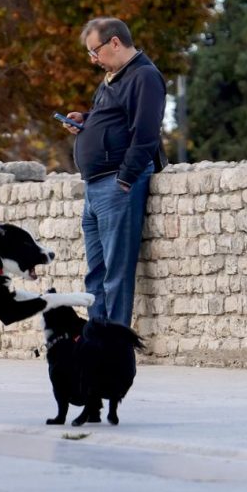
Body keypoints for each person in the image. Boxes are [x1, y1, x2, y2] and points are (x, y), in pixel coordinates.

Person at [61, 17, 166, 332]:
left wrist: (125, 179)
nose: (93, 60)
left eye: (95, 52)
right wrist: (86, 119)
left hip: (116, 185)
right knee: (95, 274)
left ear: (115, 42)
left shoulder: (145, 76)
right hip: (95, 186)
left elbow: (146, 134)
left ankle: (116, 346)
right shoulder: (112, 78)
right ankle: (97, 340)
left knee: (116, 275)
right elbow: (112, 117)